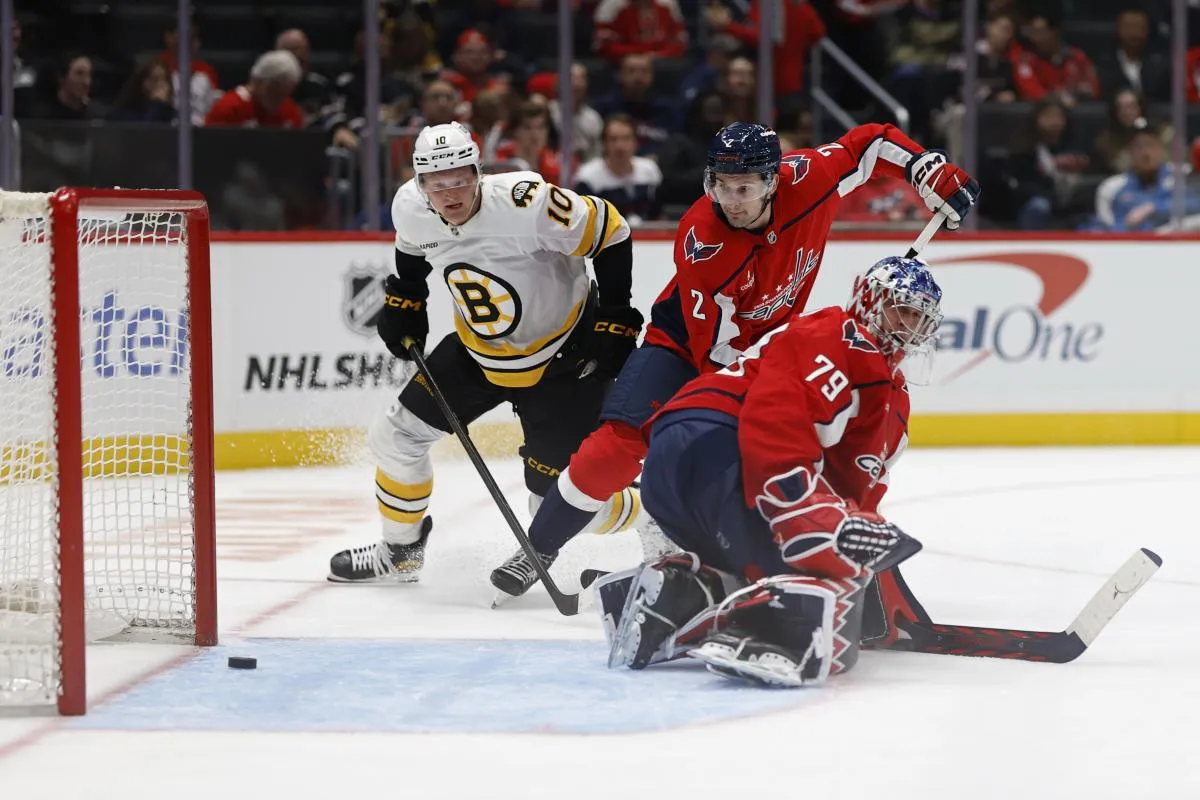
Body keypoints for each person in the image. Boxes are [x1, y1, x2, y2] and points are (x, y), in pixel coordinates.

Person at [488, 120, 978, 600]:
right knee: (614, 448)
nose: (732, 201)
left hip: (771, 347)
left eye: (745, 188)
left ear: (773, 182)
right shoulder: (704, 243)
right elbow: (715, 356)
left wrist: (925, 170)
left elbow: (868, 144)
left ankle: (711, 557)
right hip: (684, 345)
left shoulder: (808, 179)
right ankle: (539, 548)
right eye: (721, 186)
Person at [327, 122, 649, 583]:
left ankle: (654, 508)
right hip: (478, 354)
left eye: (460, 179)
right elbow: (411, 246)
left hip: (564, 360)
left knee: (557, 503)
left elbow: (611, 230)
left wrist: (615, 314)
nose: (450, 194)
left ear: (479, 173)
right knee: (395, 438)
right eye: (436, 184)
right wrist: (407, 296)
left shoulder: (528, 204)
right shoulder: (410, 206)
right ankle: (400, 552)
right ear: (420, 183)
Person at [602, 256, 944, 686]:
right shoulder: (837, 336)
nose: (909, 324)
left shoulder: (885, 389)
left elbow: (853, 489)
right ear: (870, 299)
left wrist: (858, 548)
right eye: (901, 309)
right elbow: (773, 422)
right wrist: (810, 520)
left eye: (918, 316)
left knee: (788, 559)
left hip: (680, 465)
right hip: (721, 450)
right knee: (818, 577)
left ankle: (673, 600)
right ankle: (764, 636)